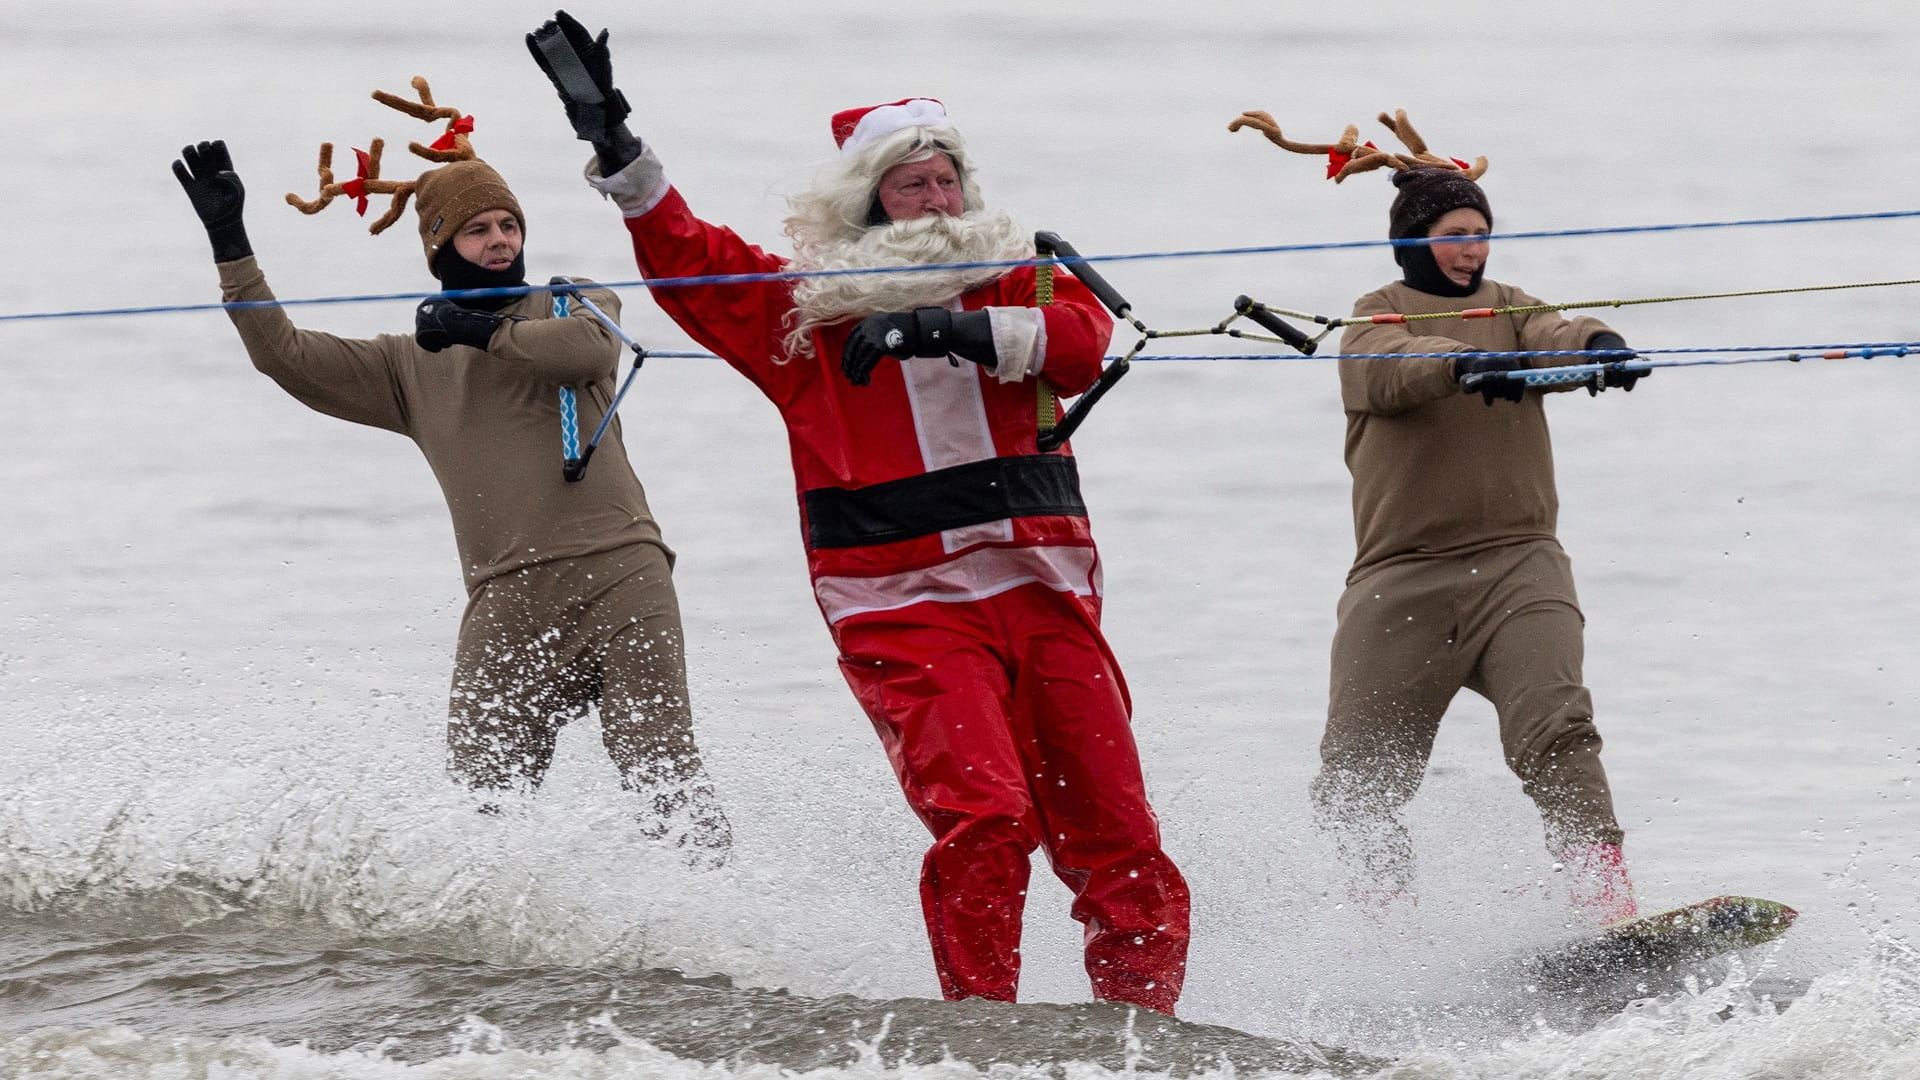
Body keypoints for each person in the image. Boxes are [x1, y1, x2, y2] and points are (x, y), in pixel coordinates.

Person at [526, 12, 1190, 1012]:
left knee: (1122, 842)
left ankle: (1144, 1041)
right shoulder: (799, 315)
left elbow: (1080, 342)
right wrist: (617, 145)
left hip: (1048, 601)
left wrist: (944, 326)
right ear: (868, 203)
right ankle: (979, 1040)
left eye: (946, 179)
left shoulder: (1016, 278)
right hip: (905, 610)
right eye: (911, 184)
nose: (936, 198)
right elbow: (689, 258)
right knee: (988, 822)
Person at [169, 84, 730, 864]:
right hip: (506, 599)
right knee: (482, 813)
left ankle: (715, 939)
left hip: (622, 580)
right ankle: (490, 978)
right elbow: (284, 358)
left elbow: (586, 355)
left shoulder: (573, 301)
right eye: (476, 230)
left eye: (508, 225)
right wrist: (232, 244)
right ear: (438, 248)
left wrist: (478, 328)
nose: (499, 240)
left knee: (662, 778)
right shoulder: (408, 365)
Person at [1237, 110, 1647, 924]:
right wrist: (1466, 364)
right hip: (1403, 581)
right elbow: (1393, 370)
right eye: (1455, 234)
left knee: (1560, 733)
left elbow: (1552, 330)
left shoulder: (1512, 306)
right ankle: (1386, 933)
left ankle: (1607, 908)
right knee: (1356, 782)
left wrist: (1600, 346)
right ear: (1413, 241)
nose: (1471, 250)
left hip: (1520, 566)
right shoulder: (1372, 317)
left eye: (1481, 234)